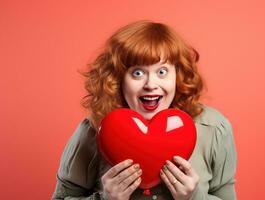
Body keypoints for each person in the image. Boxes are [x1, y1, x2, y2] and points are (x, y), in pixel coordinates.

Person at [52, 20, 237, 200]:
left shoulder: (214, 129)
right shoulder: (92, 131)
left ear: (177, 76)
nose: (150, 85)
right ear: (118, 79)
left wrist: (194, 197)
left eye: (162, 72)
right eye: (137, 73)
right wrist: (104, 199)